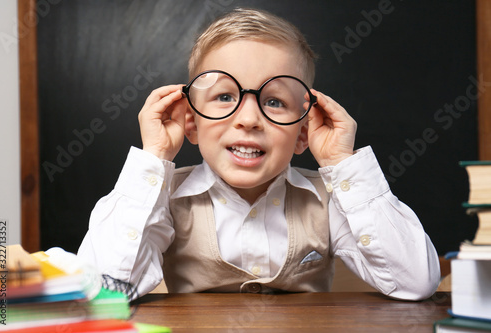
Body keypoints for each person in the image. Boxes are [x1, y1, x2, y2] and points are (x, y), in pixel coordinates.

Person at [78, 7, 440, 300]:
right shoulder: (163, 197)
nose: (249, 119)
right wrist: (153, 157)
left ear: (302, 132)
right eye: (224, 97)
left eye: (274, 101)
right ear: (191, 123)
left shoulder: (330, 200)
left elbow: (416, 282)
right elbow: (102, 291)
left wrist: (342, 164)